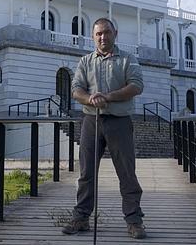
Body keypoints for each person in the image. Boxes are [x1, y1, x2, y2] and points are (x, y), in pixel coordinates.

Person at [61, 17, 146, 239]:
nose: (102, 37)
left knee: (127, 173)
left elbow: (136, 86)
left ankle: (134, 220)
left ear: (115, 33)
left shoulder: (128, 59)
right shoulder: (85, 61)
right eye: (98, 33)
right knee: (86, 173)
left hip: (119, 121)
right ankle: (81, 218)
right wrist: (90, 99)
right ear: (93, 36)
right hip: (91, 121)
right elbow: (76, 89)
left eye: (106, 32)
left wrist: (106, 97)